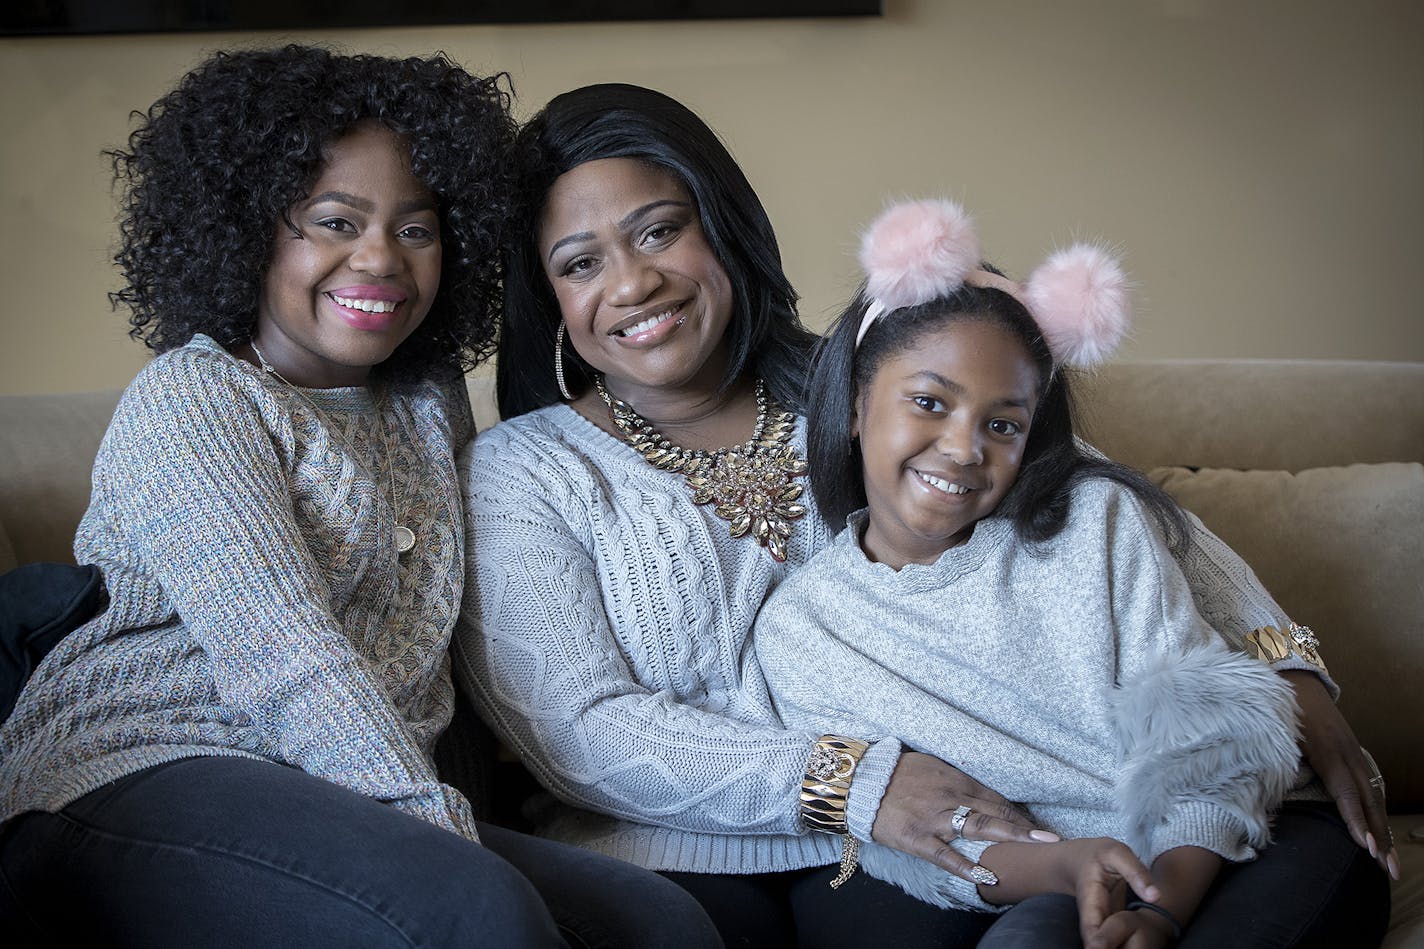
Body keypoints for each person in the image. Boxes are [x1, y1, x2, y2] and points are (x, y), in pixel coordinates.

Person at [455, 83, 1394, 947]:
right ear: (552, 300)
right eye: (581, 263)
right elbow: (581, 731)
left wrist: (1283, 671)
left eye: (659, 232)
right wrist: (858, 783)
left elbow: (1100, 498)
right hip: (708, 851)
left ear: (722, 225)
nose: (632, 283)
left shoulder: (867, 380)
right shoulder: (525, 472)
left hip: (975, 823)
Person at [0, 47, 718, 949]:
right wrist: (450, 840)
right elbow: (288, 660)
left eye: (416, 229)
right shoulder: (197, 397)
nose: (380, 258)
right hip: (139, 768)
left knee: (660, 923)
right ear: (249, 228)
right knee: (472, 911)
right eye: (335, 222)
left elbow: (438, 652)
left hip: (348, 792)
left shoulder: (426, 400)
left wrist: (480, 811)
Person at [754, 198, 1393, 948]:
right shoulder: (804, 631)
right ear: (858, 403)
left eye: (1003, 424)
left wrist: (1159, 910)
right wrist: (1069, 868)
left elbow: (1212, 756)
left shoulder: (1096, 524)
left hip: (1248, 837)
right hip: (1068, 870)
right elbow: (915, 843)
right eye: (929, 402)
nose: (963, 449)